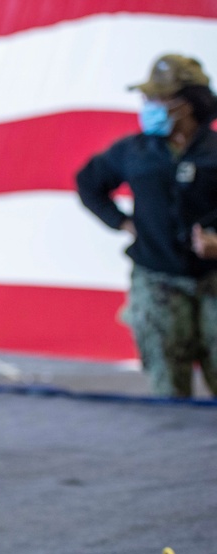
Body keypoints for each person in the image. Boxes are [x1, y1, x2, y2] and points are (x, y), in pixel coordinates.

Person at [76, 54, 217, 397]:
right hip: (157, 281)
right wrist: (121, 221)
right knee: (168, 389)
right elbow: (89, 183)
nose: (148, 105)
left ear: (186, 105)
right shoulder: (134, 152)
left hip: (213, 279)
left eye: (158, 99)